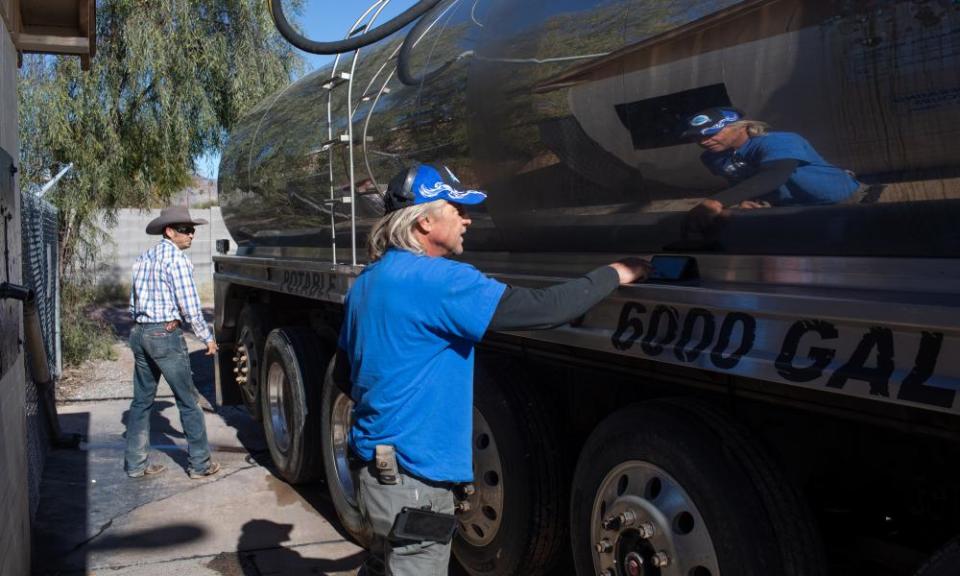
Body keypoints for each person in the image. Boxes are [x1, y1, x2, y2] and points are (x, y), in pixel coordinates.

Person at [334, 163, 650, 575]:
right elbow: (545, 309)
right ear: (425, 220)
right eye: (457, 209)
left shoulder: (368, 282)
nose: (467, 219)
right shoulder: (440, 281)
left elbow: (346, 375)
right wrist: (616, 272)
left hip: (374, 475)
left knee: (383, 564)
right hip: (415, 482)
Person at [124, 206, 221, 479]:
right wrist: (207, 337)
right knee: (188, 400)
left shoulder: (144, 257)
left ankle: (135, 465)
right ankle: (200, 465)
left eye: (192, 230)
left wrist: (147, 322)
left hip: (140, 333)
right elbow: (189, 306)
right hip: (164, 336)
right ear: (169, 231)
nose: (191, 235)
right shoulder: (176, 260)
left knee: (141, 402)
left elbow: (133, 304)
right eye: (185, 230)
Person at [682, 107, 860, 233]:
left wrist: (716, 201)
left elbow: (775, 174)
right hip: (792, 209)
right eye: (697, 137)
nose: (703, 141)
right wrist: (748, 199)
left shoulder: (777, 141)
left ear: (741, 126)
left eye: (711, 133)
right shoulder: (712, 158)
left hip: (846, 201)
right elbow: (742, 182)